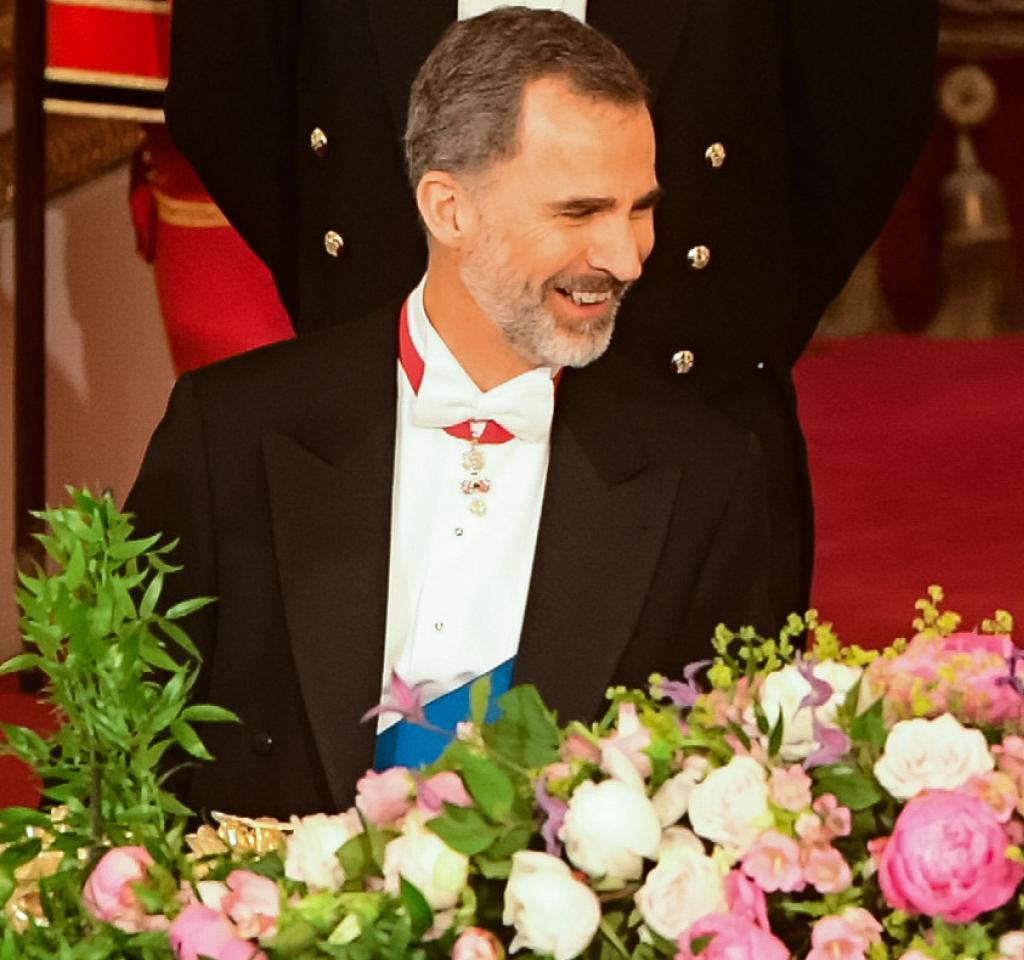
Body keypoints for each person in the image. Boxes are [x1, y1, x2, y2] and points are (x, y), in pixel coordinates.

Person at [126, 11, 772, 818]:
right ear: (449, 209)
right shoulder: (227, 435)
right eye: (579, 212)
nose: (626, 257)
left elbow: (723, 809)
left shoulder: (709, 476)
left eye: (639, 208)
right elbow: (116, 761)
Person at [163, 0, 941, 625]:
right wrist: (373, 311)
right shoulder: (215, 427)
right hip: (372, 412)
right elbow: (224, 97)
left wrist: (723, 321)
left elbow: (864, 103)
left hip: (685, 403)